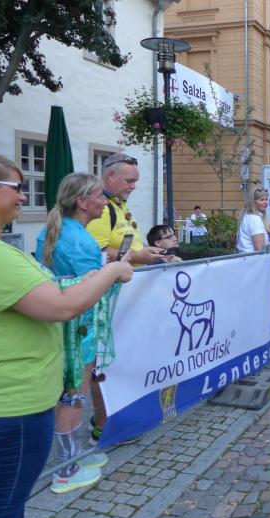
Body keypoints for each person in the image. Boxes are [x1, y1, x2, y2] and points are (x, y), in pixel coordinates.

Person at [0, 137, 133, 518]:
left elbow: (43, 292)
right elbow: (60, 306)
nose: (24, 196)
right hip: (11, 399)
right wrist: (111, 271)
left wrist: (83, 280)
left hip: (7, 394)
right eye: (17, 187)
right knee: (3, 508)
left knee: (8, 503)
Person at [36, 173, 112, 494]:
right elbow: (88, 290)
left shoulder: (53, 230)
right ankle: (66, 469)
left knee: (70, 395)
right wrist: (114, 274)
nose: (105, 201)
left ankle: (74, 455)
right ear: (82, 202)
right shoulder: (80, 240)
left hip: (62, 327)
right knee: (72, 397)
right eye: (100, 195)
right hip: (78, 330)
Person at [86, 152, 165, 444]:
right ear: (110, 176)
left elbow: (125, 247)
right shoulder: (102, 209)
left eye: (136, 181)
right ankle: (102, 426)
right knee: (103, 362)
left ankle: (112, 415)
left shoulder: (119, 207)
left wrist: (146, 253)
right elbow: (95, 252)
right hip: (107, 298)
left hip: (126, 297)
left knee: (118, 359)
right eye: (129, 181)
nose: (134, 186)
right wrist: (140, 255)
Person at [237, 186, 270, 253]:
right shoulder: (255, 219)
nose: (265, 202)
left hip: (246, 257)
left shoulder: (246, 216)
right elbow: (260, 248)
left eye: (266, 199)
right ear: (253, 202)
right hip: (252, 258)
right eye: (262, 200)